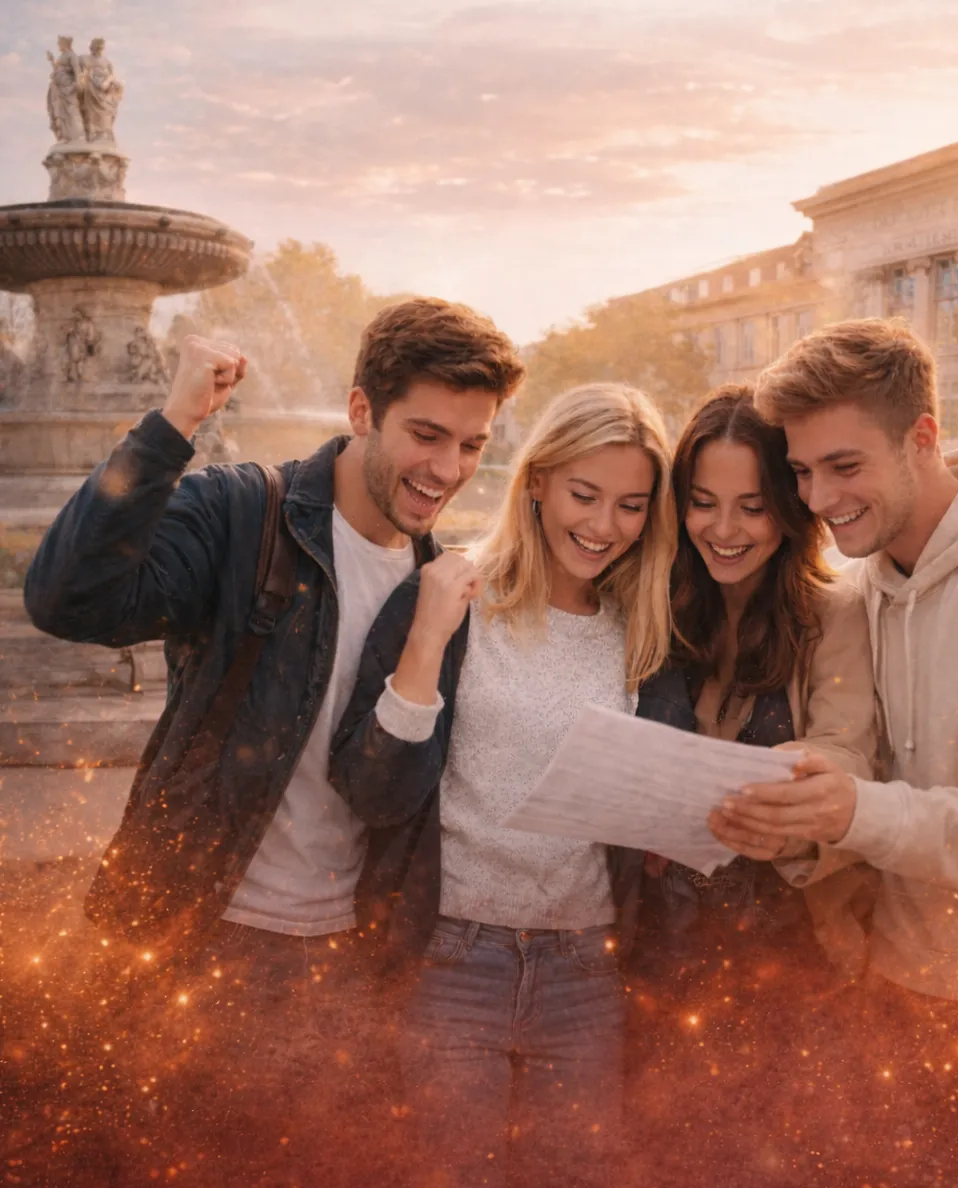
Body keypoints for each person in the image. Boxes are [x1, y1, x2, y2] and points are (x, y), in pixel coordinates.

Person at [23, 298, 524, 1185]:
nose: (449, 468)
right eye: (427, 434)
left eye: (473, 444)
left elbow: (391, 791)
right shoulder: (241, 513)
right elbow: (69, 599)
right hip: (196, 938)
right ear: (361, 410)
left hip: (343, 965)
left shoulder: (437, 584)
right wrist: (175, 422)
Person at [330, 383, 678, 1187]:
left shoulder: (645, 632)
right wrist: (426, 637)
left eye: (630, 506)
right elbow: (372, 790)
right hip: (452, 957)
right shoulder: (455, 594)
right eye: (584, 495)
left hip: (587, 969)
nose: (602, 526)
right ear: (538, 481)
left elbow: (657, 801)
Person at [720, 318, 958, 1184]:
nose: (816, 499)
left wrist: (853, 810)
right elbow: (866, 773)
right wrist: (799, 824)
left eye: (843, 466)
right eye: (803, 471)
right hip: (890, 993)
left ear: (921, 438)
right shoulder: (858, 589)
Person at [628, 386, 877, 1185]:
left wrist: (787, 806)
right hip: (654, 946)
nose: (724, 532)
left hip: (785, 953)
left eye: (752, 507)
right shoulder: (652, 602)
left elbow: (849, 754)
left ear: (791, 508)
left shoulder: (831, 613)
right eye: (702, 504)